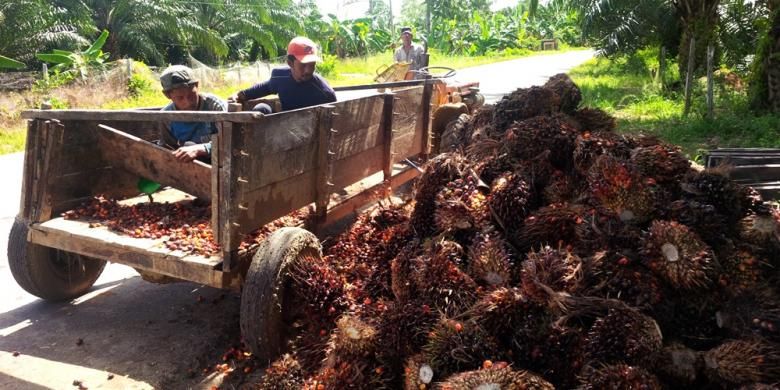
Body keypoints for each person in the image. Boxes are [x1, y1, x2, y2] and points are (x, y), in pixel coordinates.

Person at [233, 37, 336, 114]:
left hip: (312, 134)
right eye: (303, 65)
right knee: (261, 109)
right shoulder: (279, 77)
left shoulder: (325, 92)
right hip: (285, 130)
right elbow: (266, 87)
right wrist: (241, 95)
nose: (309, 70)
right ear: (290, 63)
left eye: (312, 64)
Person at [158, 65, 227, 163]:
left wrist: (202, 148)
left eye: (191, 95)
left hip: (219, 162)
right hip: (189, 167)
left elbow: (230, 142)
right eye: (180, 98)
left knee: (190, 146)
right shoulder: (167, 117)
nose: (188, 102)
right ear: (168, 95)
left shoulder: (215, 107)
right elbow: (168, 147)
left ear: (197, 86)